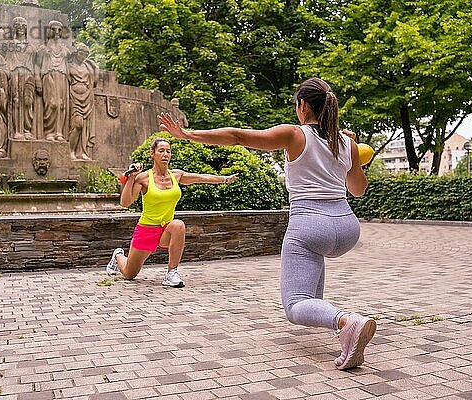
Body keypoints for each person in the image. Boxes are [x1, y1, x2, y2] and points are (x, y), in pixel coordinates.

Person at [157, 77, 375, 370]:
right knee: (312, 293)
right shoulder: (346, 142)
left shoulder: (294, 135)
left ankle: (348, 322)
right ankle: (340, 326)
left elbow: (237, 136)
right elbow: (358, 189)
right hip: (347, 227)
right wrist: (352, 153)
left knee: (296, 305)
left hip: (310, 225)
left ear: (303, 106)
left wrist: (187, 134)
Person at [106, 137, 238, 288]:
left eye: (168, 151)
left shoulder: (176, 175)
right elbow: (125, 203)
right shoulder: (144, 178)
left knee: (178, 225)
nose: (165, 154)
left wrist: (225, 179)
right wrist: (132, 179)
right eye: (161, 151)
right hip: (146, 230)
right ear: (152, 154)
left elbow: (201, 178)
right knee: (130, 274)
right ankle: (118, 256)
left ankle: (171, 273)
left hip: (165, 230)